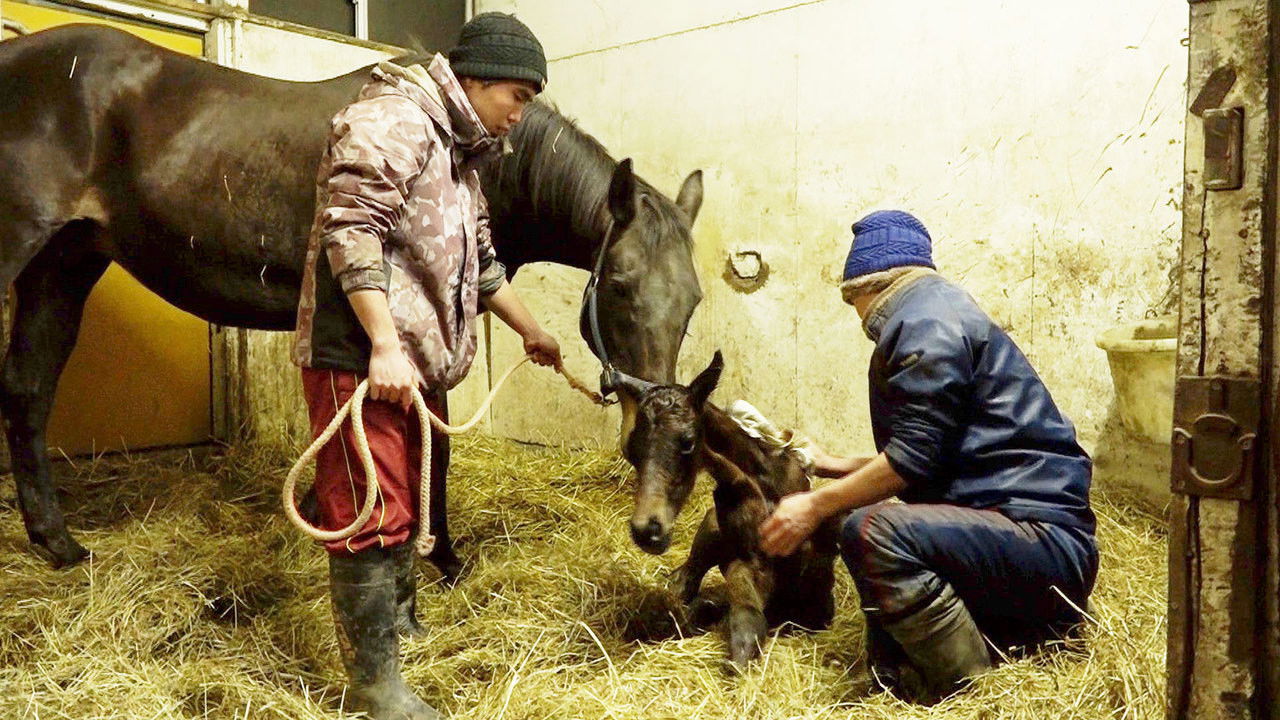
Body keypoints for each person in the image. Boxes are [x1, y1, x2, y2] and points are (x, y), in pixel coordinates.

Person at [292, 13, 561, 720]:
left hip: (413, 364)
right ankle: (374, 687)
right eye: (518, 96)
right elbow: (353, 230)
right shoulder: (394, 120)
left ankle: (396, 630)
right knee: (368, 510)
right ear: (474, 80)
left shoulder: (459, 153)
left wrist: (535, 332)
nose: (520, 114)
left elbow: (481, 259)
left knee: (402, 502)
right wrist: (382, 343)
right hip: (362, 358)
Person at [759, 210, 1098, 703]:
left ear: (865, 289)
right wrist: (829, 463)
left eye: (851, 301)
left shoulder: (923, 322)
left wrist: (815, 505)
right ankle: (896, 677)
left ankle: (968, 693)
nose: (857, 317)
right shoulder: (938, 310)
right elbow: (935, 455)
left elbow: (912, 463)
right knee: (874, 521)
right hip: (1023, 535)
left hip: (1043, 546)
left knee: (872, 530)